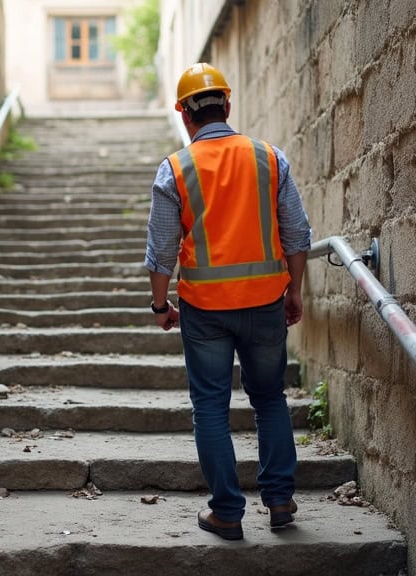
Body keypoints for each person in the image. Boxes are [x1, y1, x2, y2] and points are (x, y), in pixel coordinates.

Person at [144, 63, 312, 540]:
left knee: (211, 409)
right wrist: (293, 290)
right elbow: (297, 233)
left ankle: (227, 513)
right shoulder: (269, 158)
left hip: (205, 311)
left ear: (184, 115)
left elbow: (161, 250)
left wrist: (161, 307)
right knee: (269, 399)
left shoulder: (175, 168)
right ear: (228, 105)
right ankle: (279, 500)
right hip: (265, 303)